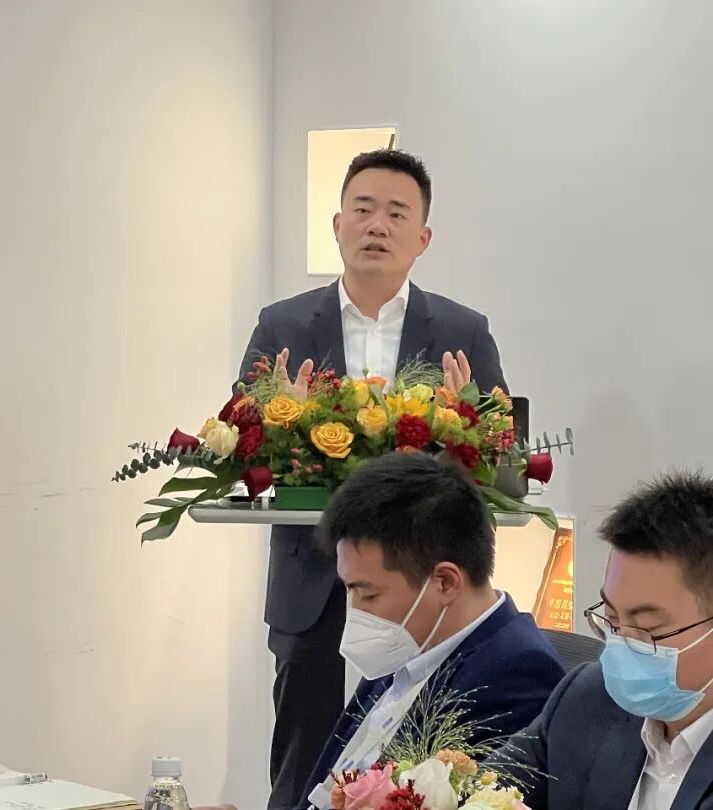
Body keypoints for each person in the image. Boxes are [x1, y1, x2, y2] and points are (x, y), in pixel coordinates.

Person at [234, 148, 509, 810]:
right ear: (338, 225)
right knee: (301, 758)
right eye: (362, 209)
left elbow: (502, 450)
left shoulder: (463, 330)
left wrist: (466, 419)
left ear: (423, 237)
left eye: (396, 213)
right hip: (312, 578)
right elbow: (243, 445)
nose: (376, 225)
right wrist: (280, 418)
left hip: (422, 579)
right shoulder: (283, 324)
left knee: (419, 753)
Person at [195, 452, 564, 810]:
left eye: (368, 594)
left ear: (445, 582)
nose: (355, 612)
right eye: (349, 591)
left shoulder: (517, 677)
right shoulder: (413, 645)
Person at [504, 471, 713, 809]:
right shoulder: (586, 699)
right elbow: (481, 793)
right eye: (612, 620)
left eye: (647, 629)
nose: (621, 646)